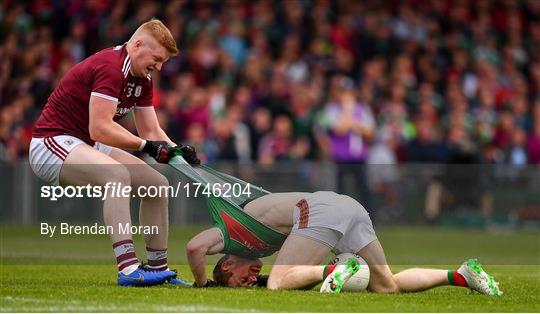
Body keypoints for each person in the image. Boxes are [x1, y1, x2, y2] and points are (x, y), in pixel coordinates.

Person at [29, 19, 199, 286]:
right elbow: (100, 129)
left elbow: (151, 132)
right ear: (138, 44)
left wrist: (178, 151)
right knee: (116, 175)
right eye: (156, 58)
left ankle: (158, 270)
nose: (159, 67)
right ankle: (129, 270)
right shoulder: (111, 67)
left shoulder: (143, 77)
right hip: (53, 141)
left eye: (163, 61)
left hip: (85, 143)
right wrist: (147, 147)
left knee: (157, 185)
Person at [186, 191, 502, 295]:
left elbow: (194, 247)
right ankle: (460, 275)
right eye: (248, 283)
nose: (250, 279)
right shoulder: (256, 249)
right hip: (347, 207)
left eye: (241, 279)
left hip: (318, 209)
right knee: (386, 286)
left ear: (227, 263)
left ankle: (337, 269)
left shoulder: (230, 234)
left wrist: (203, 285)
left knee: (277, 284)